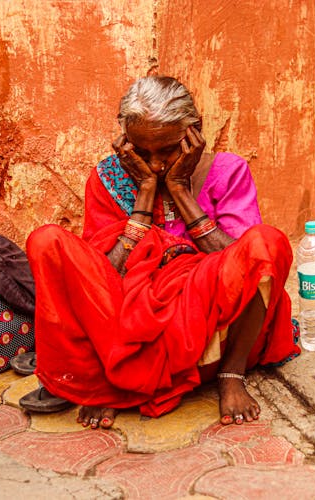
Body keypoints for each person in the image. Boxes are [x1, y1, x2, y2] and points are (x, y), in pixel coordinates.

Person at [18, 75, 300, 429]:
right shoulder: (108, 178)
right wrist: (145, 198)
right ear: (125, 142)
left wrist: (180, 190)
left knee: (268, 242)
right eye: (141, 151)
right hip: (131, 328)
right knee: (46, 241)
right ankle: (104, 383)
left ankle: (231, 374)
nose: (153, 164)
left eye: (166, 150)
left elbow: (247, 260)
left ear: (193, 133)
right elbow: (101, 276)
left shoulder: (227, 171)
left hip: (212, 326)